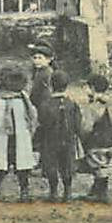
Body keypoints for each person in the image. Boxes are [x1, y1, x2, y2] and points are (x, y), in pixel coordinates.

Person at [34, 70, 84, 202]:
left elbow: (42, 122)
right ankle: (67, 192)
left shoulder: (45, 104)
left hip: (50, 139)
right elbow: (78, 124)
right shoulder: (72, 104)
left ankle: (53, 192)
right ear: (67, 85)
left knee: (51, 165)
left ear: (51, 85)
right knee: (66, 165)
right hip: (68, 139)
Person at [0, 66, 38, 201]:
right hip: (13, 138)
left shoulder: (1, 101)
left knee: (7, 168)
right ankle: (23, 191)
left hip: (9, 138)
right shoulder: (24, 100)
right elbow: (33, 117)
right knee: (16, 168)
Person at [81, 75, 112, 203]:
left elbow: (87, 127)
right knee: (103, 164)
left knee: (97, 165)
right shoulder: (110, 103)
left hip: (96, 140)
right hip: (109, 139)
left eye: (86, 87)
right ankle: (99, 189)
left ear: (92, 88)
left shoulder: (93, 107)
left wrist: (83, 137)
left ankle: (100, 191)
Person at [28, 44, 56, 113]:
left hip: (45, 105)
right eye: (35, 58)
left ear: (48, 60)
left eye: (40, 58)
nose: (37, 61)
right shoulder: (39, 72)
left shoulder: (47, 73)